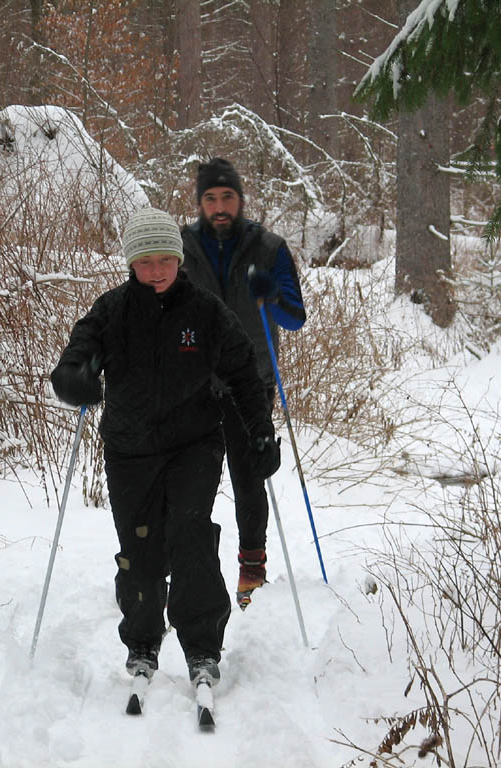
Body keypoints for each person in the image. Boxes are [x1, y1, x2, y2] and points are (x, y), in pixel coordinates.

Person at [50, 207, 280, 688]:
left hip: (193, 443)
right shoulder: (111, 311)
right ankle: (142, 640)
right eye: (145, 261)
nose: (156, 271)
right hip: (129, 450)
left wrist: (259, 431)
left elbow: (242, 372)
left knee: (190, 533)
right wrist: (75, 378)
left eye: (165, 260)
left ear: (178, 259)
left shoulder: (205, 311)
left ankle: (202, 647)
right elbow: (77, 355)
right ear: (131, 263)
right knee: (140, 548)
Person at [180, 158, 307, 607]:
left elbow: (295, 317)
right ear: (199, 202)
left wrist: (271, 291)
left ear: (240, 199)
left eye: (226, 197)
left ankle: (251, 570)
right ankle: (193, 571)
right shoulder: (180, 246)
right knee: (190, 483)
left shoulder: (269, 247)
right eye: (210, 198)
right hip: (191, 383)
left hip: (250, 383)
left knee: (250, 478)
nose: (219, 207)